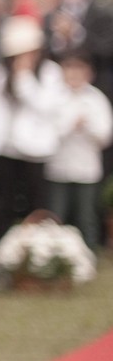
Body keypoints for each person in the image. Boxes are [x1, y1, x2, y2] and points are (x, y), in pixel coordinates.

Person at [0, 17, 65, 245]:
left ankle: (41, 255)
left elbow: (47, 107)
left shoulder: (50, 73)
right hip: (8, 150)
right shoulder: (0, 74)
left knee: (39, 207)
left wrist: (24, 80)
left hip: (39, 151)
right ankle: (2, 255)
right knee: (4, 206)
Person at [46, 51, 113, 249]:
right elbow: (45, 133)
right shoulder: (53, 98)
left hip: (86, 169)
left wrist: (88, 126)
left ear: (89, 73)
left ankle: (87, 253)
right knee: (56, 214)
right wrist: (69, 125)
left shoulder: (96, 99)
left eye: (79, 70)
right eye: (69, 69)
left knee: (86, 216)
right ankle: (54, 254)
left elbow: (105, 135)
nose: (74, 75)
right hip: (58, 167)